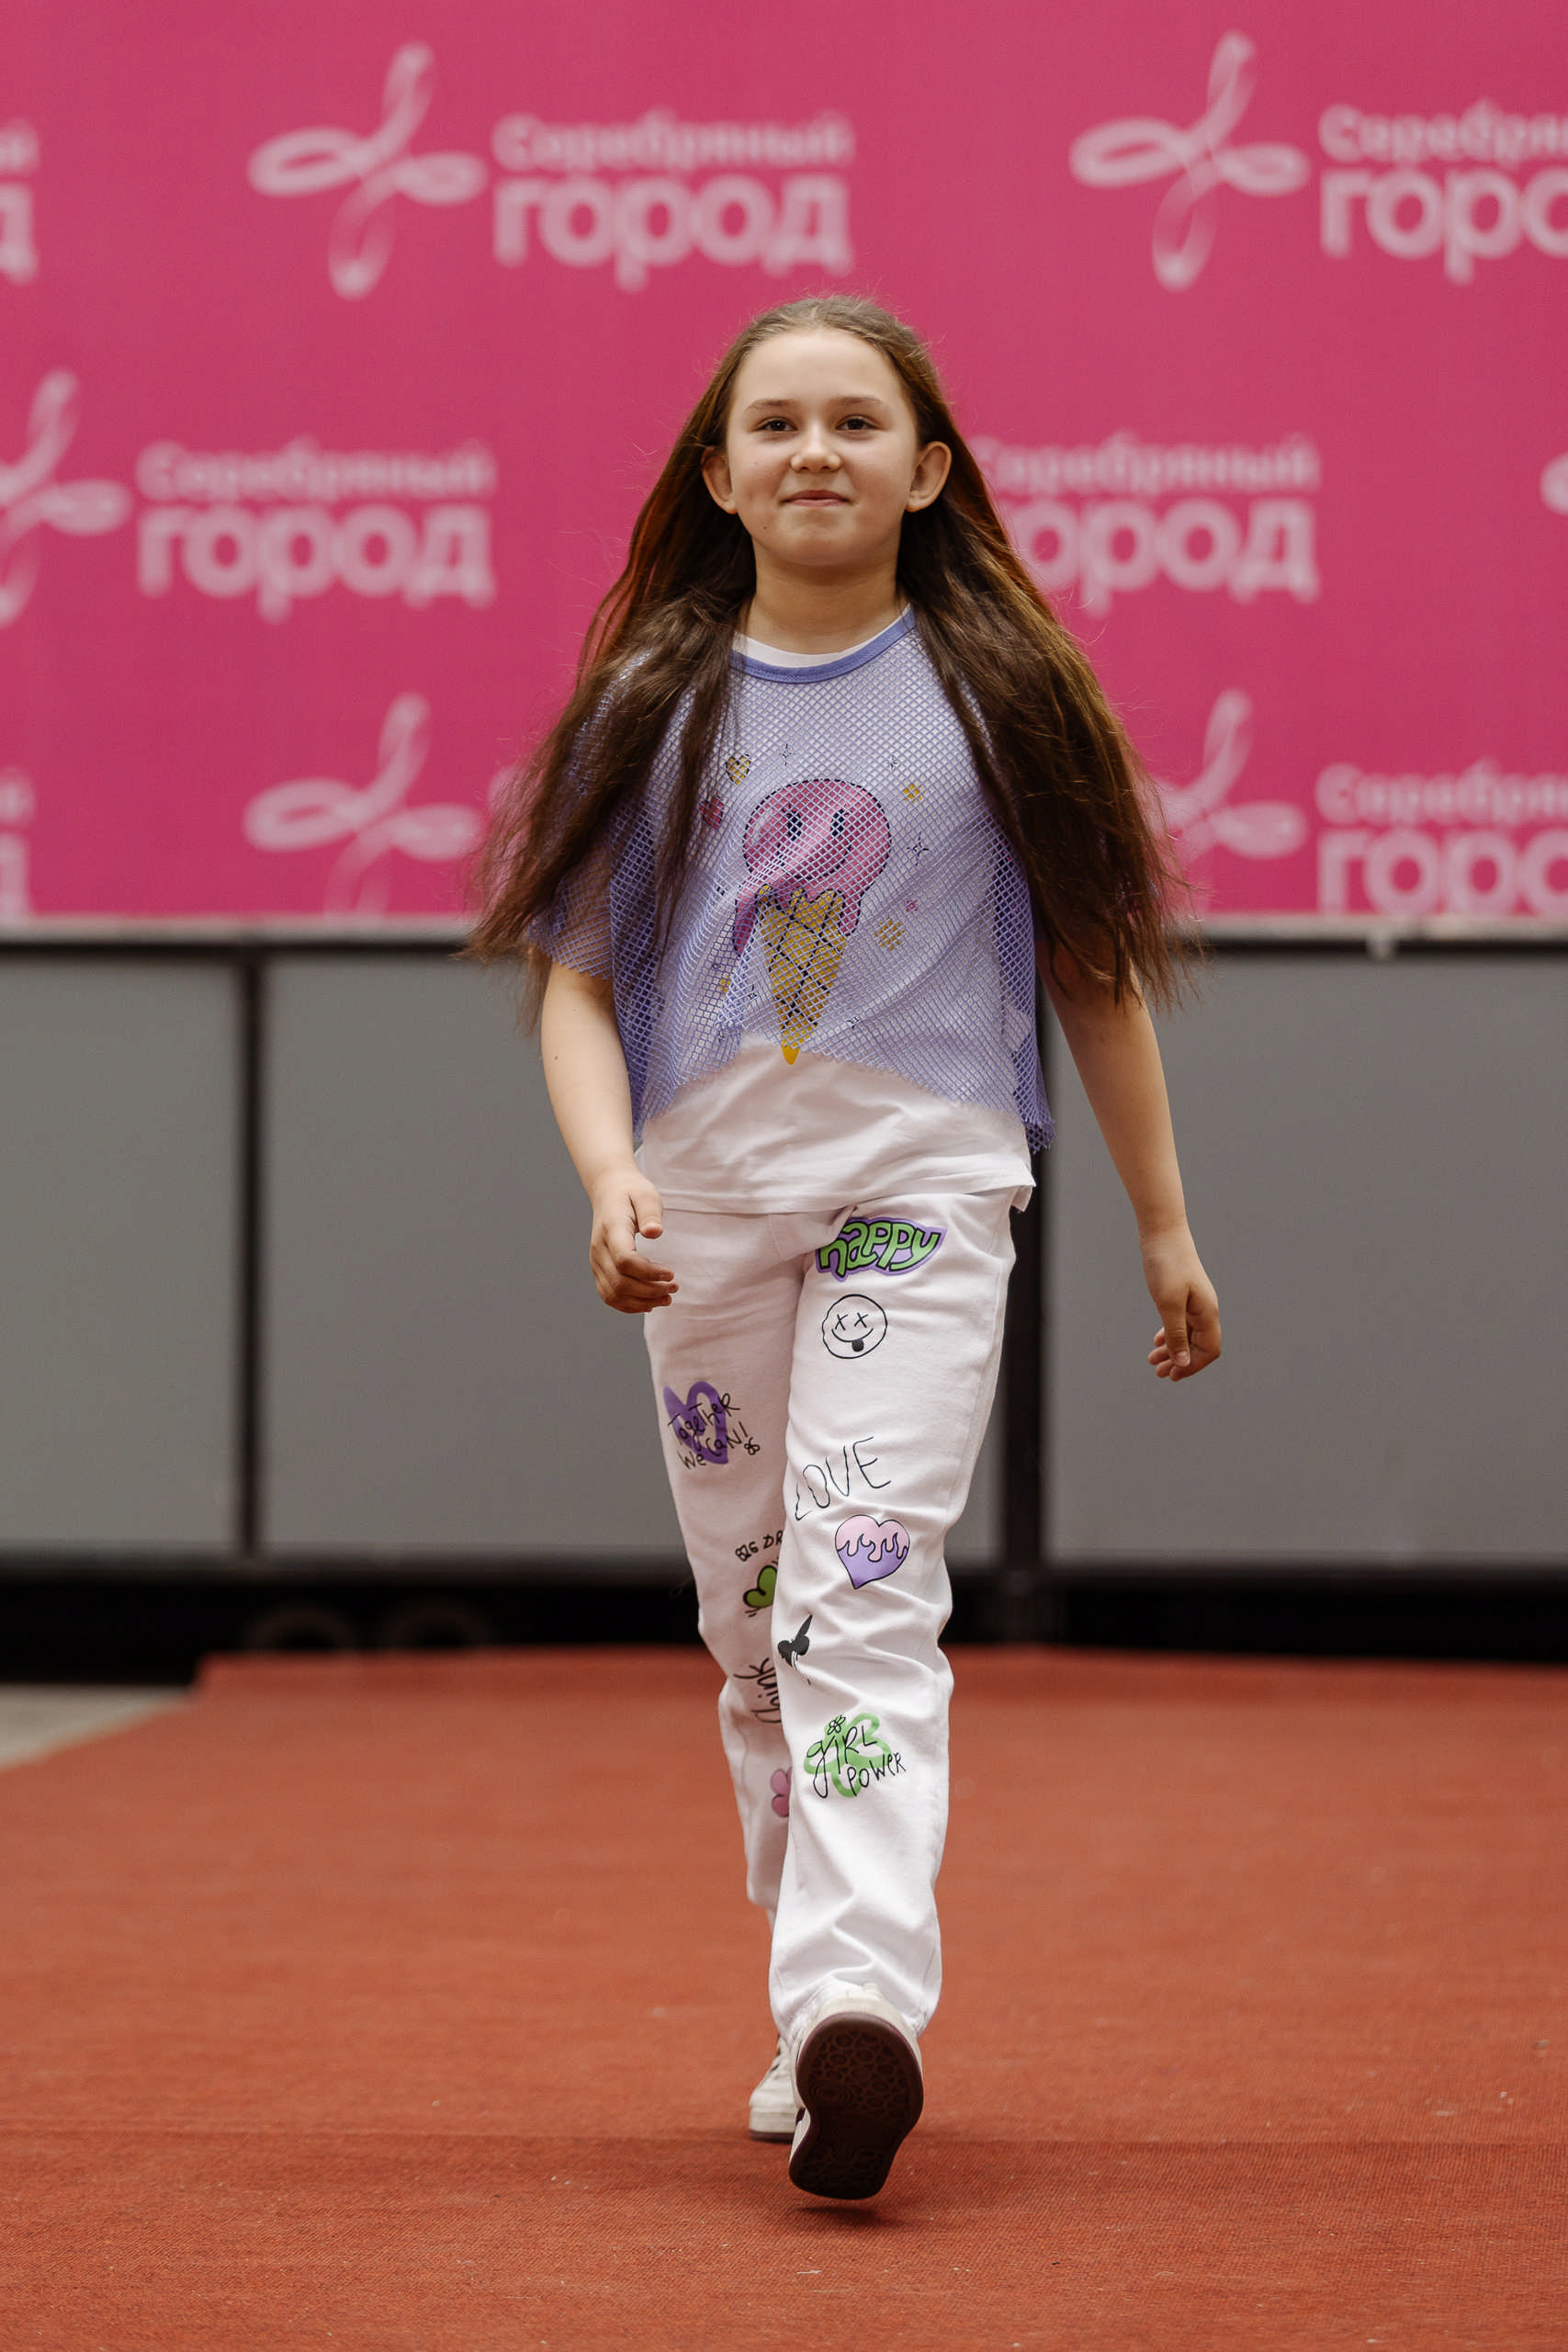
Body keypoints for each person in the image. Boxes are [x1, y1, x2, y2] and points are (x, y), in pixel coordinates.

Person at [471, 294, 1221, 2201]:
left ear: (929, 468)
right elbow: (575, 982)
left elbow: (1094, 972)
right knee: (752, 1626)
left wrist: (1161, 1220)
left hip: (924, 1190)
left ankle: (852, 2004)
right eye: (777, 423)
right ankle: (807, 1991)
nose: (817, 449)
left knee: (858, 1589)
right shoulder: (655, 703)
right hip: (705, 1211)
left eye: (858, 421)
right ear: (719, 477)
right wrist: (608, 1174)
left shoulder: (1001, 699)